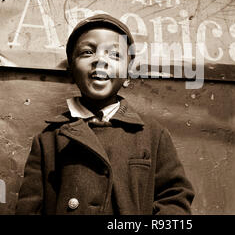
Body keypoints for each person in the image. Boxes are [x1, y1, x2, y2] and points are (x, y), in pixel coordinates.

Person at [16, 14, 195, 215]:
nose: (100, 60)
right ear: (71, 70)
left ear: (127, 75)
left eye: (115, 55)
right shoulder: (48, 140)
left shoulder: (153, 135)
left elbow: (175, 199)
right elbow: (29, 209)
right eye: (87, 52)